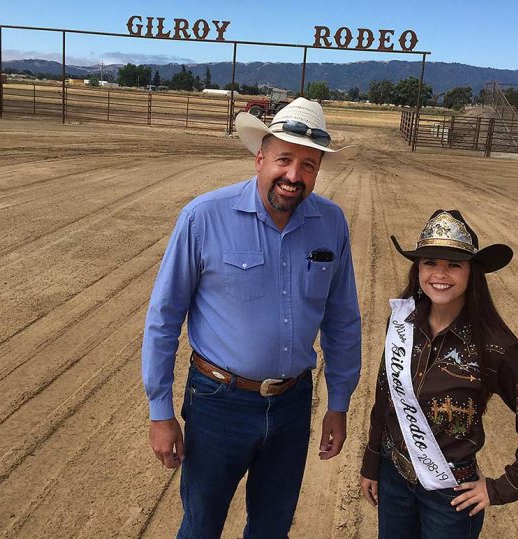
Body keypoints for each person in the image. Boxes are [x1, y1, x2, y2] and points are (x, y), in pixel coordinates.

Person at [141, 97, 362, 538]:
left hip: (292, 405)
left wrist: (338, 403)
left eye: (309, 165)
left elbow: (342, 322)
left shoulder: (331, 224)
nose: (294, 176)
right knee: (201, 524)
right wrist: (160, 411)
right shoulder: (204, 217)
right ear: (260, 157)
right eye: (284, 159)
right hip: (217, 404)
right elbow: (164, 318)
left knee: (272, 528)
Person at [359, 210, 518, 538]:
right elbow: (386, 396)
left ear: (472, 273)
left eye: (454, 264)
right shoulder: (401, 324)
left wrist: (501, 488)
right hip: (394, 476)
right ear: (418, 268)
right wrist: (371, 462)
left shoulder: (496, 346)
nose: (440, 274)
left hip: (451, 495)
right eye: (430, 262)